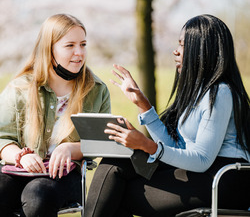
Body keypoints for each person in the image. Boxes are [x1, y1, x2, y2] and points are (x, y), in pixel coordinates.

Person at [84, 14, 250, 217]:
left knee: (118, 194)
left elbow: (202, 159)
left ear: (202, 50)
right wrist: (142, 105)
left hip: (222, 180)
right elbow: (177, 150)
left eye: (182, 45)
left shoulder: (221, 92)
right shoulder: (198, 93)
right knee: (117, 163)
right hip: (199, 174)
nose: (175, 51)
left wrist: (146, 145)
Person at [0, 13, 111, 217]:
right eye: (70, 46)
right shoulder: (20, 88)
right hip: (19, 170)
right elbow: (2, 138)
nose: (79, 53)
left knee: (37, 195)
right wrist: (20, 156)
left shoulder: (96, 90)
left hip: (65, 176)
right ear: (49, 49)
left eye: (83, 44)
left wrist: (71, 148)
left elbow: (102, 142)